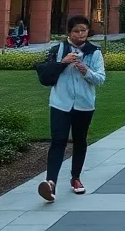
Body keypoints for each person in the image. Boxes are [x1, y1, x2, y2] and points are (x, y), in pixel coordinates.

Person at [38, 14, 107, 201]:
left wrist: (86, 71)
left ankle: (76, 178)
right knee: (58, 141)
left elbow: (100, 78)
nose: (80, 34)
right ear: (69, 32)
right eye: (76, 31)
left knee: (80, 140)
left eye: (83, 30)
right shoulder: (58, 49)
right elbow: (46, 75)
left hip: (84, 104)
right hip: (60, 103)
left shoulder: (94, 52)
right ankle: (50, 183)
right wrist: (63, 62)